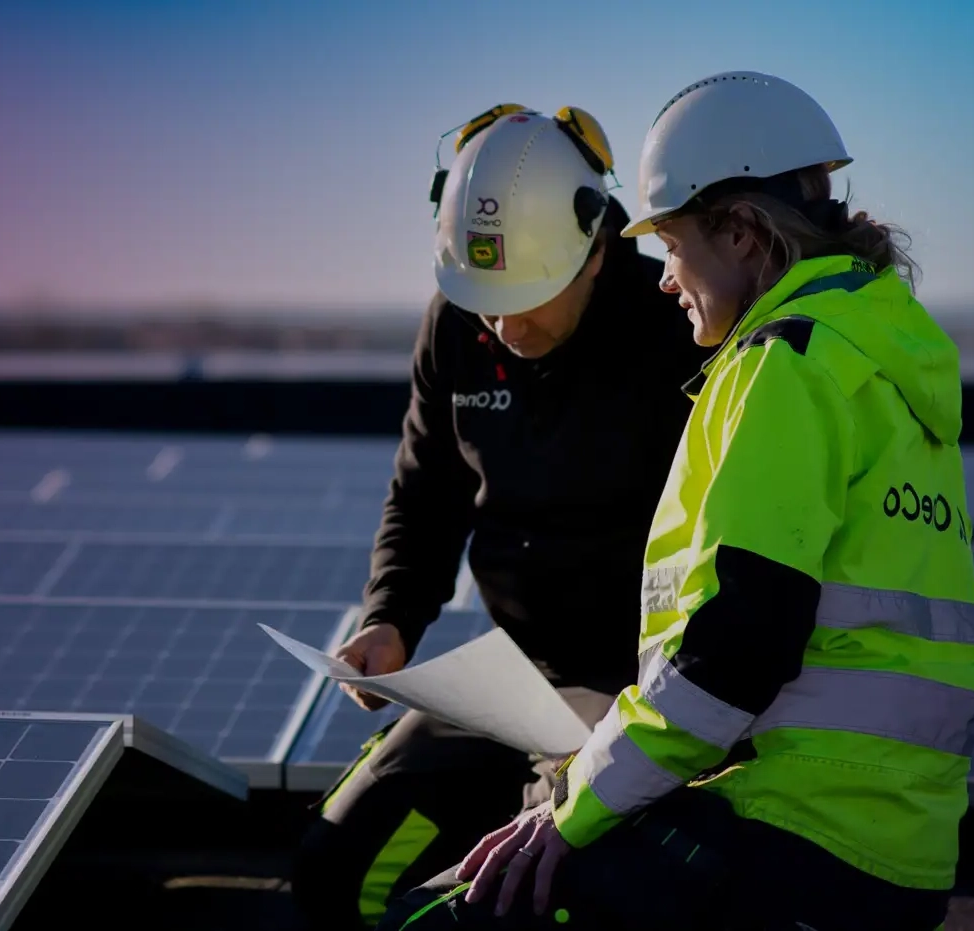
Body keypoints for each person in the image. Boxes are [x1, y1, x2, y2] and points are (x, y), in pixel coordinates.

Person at [379, 70, 974, 931]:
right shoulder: (883, 357)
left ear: (740, 233)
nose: (664, 279)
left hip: (789, 826)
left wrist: (571, 807)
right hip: (895, 851)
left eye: (671, 246)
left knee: (437, 918)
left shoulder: (784, 368)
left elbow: (734, 650)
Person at [290, 103, 712, 931]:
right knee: (329, 868)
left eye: (526, 300)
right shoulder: (455, 323)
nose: (504, 327)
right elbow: (424, 489)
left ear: (595, 249)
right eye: (487, 303)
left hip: (637, 693)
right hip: (506, 682)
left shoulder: (676, 325)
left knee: (518, 899)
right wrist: (390, 619)